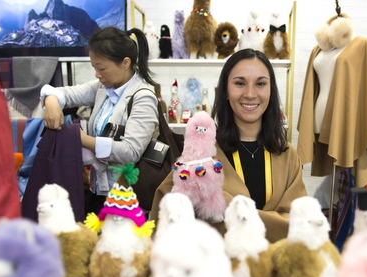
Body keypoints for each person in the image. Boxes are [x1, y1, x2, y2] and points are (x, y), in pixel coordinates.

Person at [149, 48, 307, 242]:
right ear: (224, 90)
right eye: (240, 83)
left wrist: (235, 210)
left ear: (270, 90)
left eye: (260, 84)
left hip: (273, 266)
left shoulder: (287, 155)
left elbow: (300, 223)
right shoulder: (203, 153)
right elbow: (164, 210)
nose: (250, 94)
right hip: (216, 268)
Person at [40, 26, 159, 214]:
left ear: (125, 63)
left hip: (126, 197)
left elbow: (130, 151)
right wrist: (52, 101)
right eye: (94, 67)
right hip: (98, 190)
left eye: (101, 68)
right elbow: (66, 93)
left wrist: (81, 139)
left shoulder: (143, 97)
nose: (97, 74)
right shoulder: (102, 88)